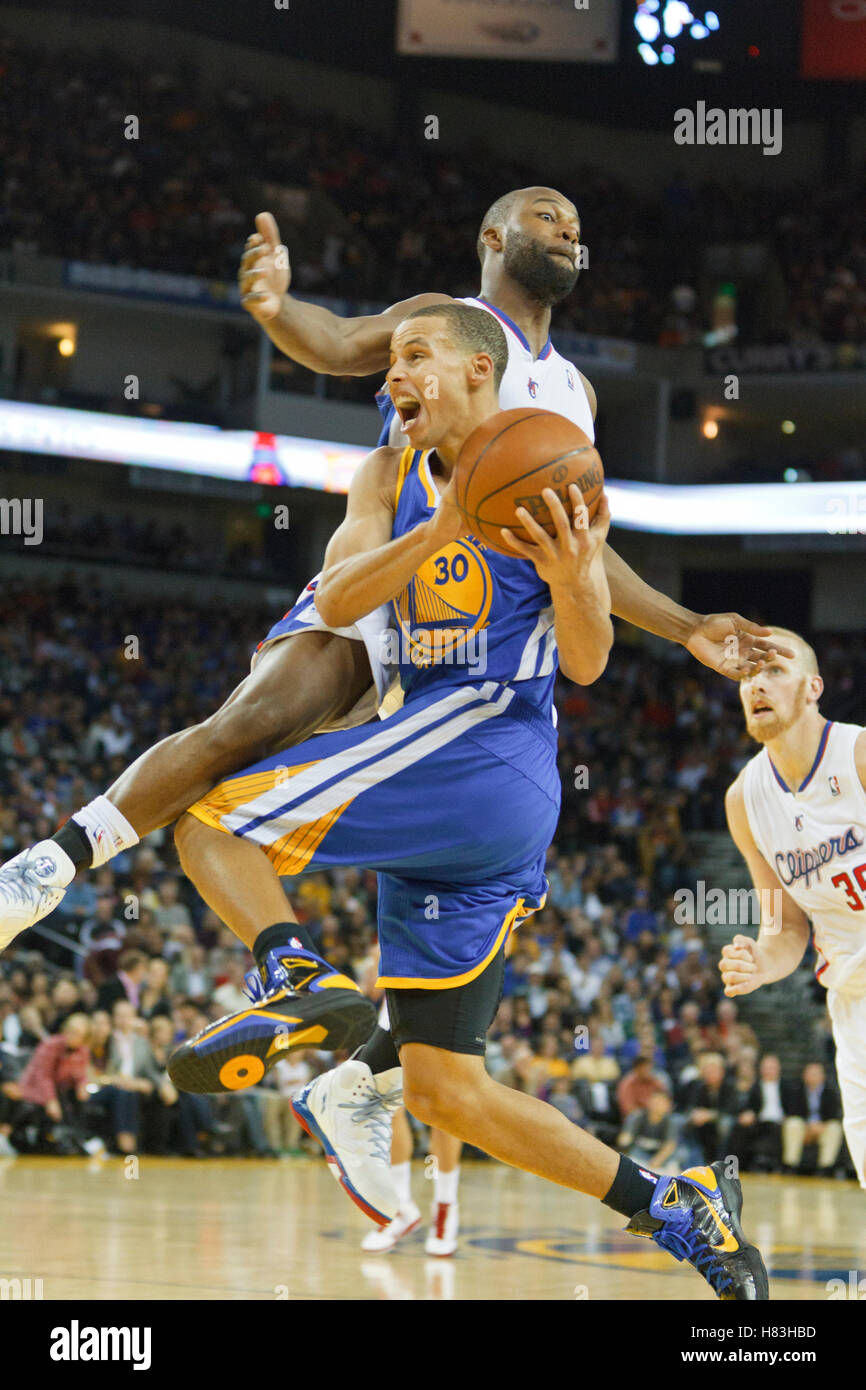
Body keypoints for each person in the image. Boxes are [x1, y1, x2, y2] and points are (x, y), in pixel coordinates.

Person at [0, 187, 789, 978]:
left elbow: (583, 547)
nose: (567, 227)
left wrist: (685, 626)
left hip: (480, 627)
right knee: (254, 722)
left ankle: (355, 1039)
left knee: (446, 821)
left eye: (576, 223)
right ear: (493, 234)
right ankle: (46, 871)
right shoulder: (437, 321)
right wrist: (277, 310)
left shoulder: (575, 394)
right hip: (393, 562)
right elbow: (341, 342)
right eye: (547, 213)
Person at [167, 303, 766, 1298]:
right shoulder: (383, 477)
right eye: (388, 360)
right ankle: (672, 1202)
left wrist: (577, 577)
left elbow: (583, 657)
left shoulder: (544, 469)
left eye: (415, 357)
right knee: (449, 1088)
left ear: (479, 370)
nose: (392, 375)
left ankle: (299, 979)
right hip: (451, 796)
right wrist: (439, 530)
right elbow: (343, 598)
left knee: (208, 818)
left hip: (485, 743)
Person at [719, 628, 866, 1190]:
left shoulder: (855, 755)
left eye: (775, 669)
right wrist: (762, 961)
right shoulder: (745, 800)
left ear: (813, 688)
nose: (758, 681)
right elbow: (785, 929)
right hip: (850, 1004)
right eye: (747, 674)